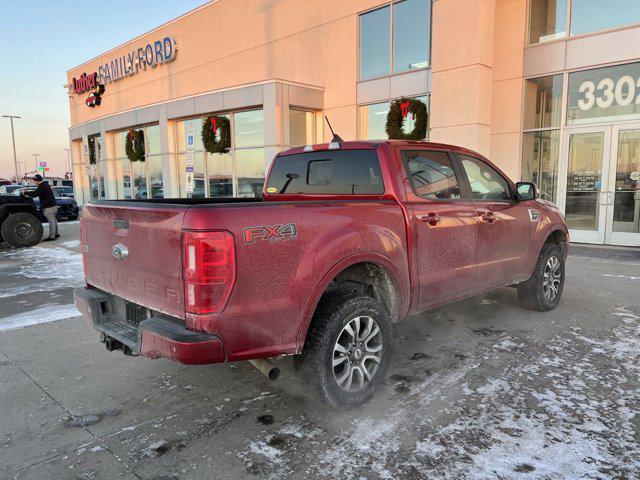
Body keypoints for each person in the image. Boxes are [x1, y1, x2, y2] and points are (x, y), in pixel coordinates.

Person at [24, 174, 59, 241]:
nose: (34, 182)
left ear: (37, 181)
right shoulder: (46, 185)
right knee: (54, 220)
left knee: (51, 221)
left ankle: (52, 236)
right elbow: (37, 192)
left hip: (48, 207)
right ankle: (56, 234)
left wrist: (25, 193)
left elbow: (35, 194)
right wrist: (28, 192)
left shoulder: (42, 186)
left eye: (34, 181)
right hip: (54, 206)